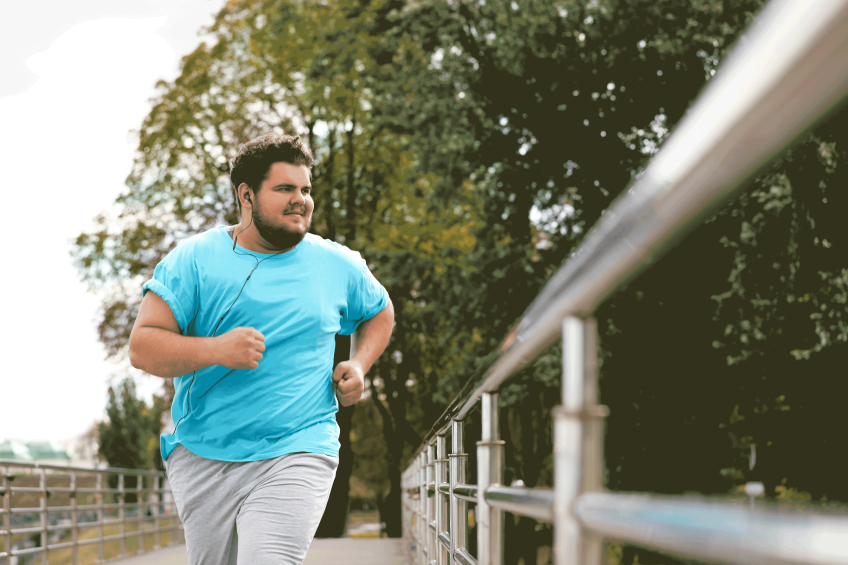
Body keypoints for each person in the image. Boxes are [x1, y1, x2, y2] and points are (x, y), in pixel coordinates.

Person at [128, 133, 394, 565]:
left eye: (306, 189)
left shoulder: (337, 263)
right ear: (246, 195)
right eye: (285, 189)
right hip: (204, 453)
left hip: (300, 445)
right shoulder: (193, 260)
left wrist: (360, 364)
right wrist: (216, 350)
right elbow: (142, 347)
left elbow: (380, 311)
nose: (301, 200)